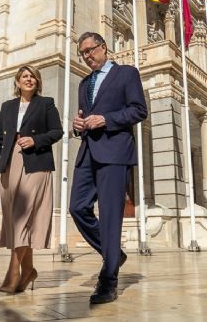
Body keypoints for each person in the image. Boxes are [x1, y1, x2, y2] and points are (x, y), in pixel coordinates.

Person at [69, 31, 148, 304]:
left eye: (90, 50)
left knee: (111, 215)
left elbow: (139, 110)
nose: (87, 56)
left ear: (103, 47)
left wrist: (106, 119)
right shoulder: (83, 83)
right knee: (77, 207)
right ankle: (113, 253)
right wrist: (77, 126)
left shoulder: (127, 73)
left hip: (114, 152)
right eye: (83, 53)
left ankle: (108, 280)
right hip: (87, 152)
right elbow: (83, 116)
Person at [0, 65, 62, 293]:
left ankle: (13, 271)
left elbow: (57, 131)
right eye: (24, 76)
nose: (29, 80)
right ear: (17, 82)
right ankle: (28, 270)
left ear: (37, 82)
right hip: (10, 162)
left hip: (35, 162)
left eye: (33, 77)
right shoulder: (7, 107)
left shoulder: (46, 103)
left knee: (22, 214)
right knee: (13, 214)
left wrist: (35, 141)